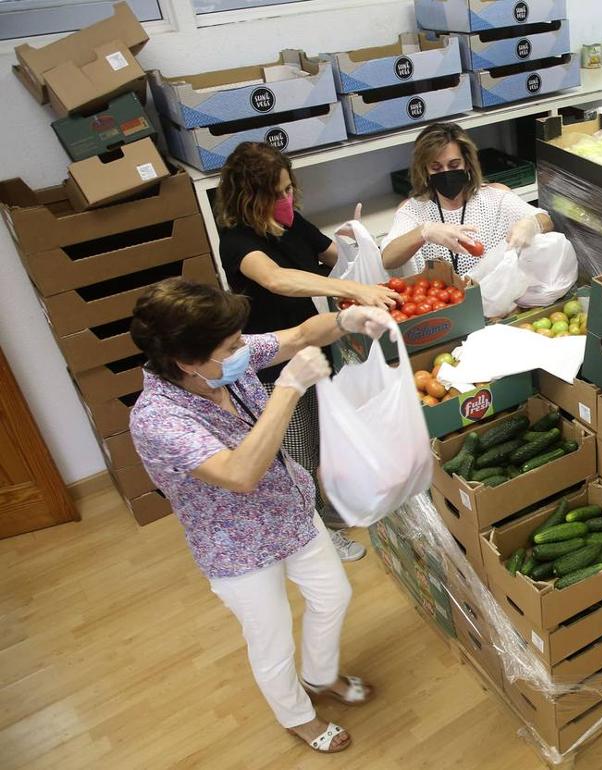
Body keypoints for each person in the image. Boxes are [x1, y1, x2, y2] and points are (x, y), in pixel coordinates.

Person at [128, 279, 391, 754]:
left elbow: (297, 336)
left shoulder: (220, 361)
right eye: (231, 347)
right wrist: (289, 387)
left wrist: (345, 320)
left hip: (290, 512)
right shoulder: (157, 420)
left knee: (333, 596)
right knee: (272, 644)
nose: (241, 351)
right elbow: (239, 472)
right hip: (237, 548)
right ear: (187, 362)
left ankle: (319, 675)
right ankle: (298, 718)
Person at [216, 141, 399, 561]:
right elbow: (279, 279)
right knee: (295, 453)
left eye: (289, 189)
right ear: (250, 198)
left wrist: (362, 249)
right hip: (274, 362)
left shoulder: (290, 222)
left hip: (312, 344)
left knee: (321, 438)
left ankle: (322, 510)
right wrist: (352, 288)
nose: (288, 199)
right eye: (277, 193)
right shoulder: (237, 243)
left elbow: (334, 257)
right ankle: (310, 535)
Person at [380, 121, 554, 276]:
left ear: (467, 163)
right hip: (443, 302)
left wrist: (531, 224)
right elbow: (388, 258)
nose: (446, 172)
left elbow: (545, 219)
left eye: (454, 165)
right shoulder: (413, 210)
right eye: (436, 167)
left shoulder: (495, 197)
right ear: (425, 170)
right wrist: (424, 232)